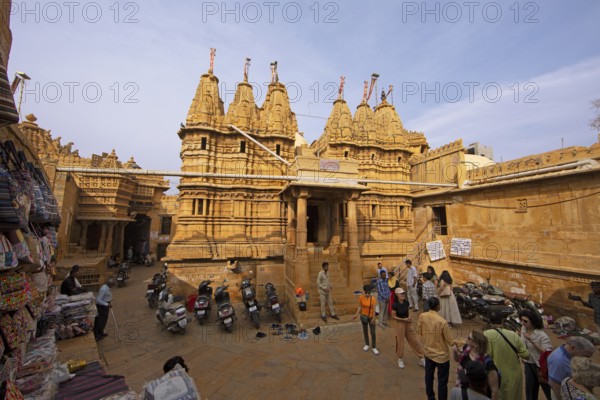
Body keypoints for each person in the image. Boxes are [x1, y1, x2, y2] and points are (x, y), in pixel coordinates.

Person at [418, 297, 456, 400]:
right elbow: (450, 341)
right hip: (441, 356)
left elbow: (419, 330)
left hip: (428, 353)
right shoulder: (442, 322)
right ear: (438, 306)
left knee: (428, 377)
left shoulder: (422, 316)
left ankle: (430, 397)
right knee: (442, 382)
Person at [484, 322, 530, 400]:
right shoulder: (514, 334)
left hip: (497, 373)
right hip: (515, 374)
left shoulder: (487, 333)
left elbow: (487, 354)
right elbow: (525, 355)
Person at [452, 330, 500, 400]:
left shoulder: (488, 364)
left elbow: (494, 390)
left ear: (476, 345)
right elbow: (458, 360)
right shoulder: (467, 349)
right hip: (465, 392)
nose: (466, 338)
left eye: (469, 338)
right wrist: (455, 352)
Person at [519, 309, 553, 400]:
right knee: (530, 389)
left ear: (533, 322)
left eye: (525, 321)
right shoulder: (523, 329)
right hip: (528, 363)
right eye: (521, 320)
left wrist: (532, 340)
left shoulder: (542, 335)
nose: (522, 323)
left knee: (547, 390)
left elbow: (546, 352)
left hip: (540, 366)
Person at [391, 287, 425, 369]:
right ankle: (400, 359)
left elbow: (407, 312)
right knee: (400, 341)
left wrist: (409, 317)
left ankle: (421, 358)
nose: (403, 295)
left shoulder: (406, 302)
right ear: (397, 294)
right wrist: (403, 319)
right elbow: (393, 316)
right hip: (400, 324)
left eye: (403, 293)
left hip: (408, 323)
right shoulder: (395, 304)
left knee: (414, 340)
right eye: (401, 293)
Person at [353, 284, 378, 355]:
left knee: (373, 332)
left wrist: (373, 318)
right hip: (364, 316)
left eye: (369, 293)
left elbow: (374, 309)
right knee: (365, 331)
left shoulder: (372, 299)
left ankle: (374, 347)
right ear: (364, 291)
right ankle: (367, 344)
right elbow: (359, 306)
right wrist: (356, 314)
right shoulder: (361, 297)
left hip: (371, 317)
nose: (367, 294)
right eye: (366, 292)